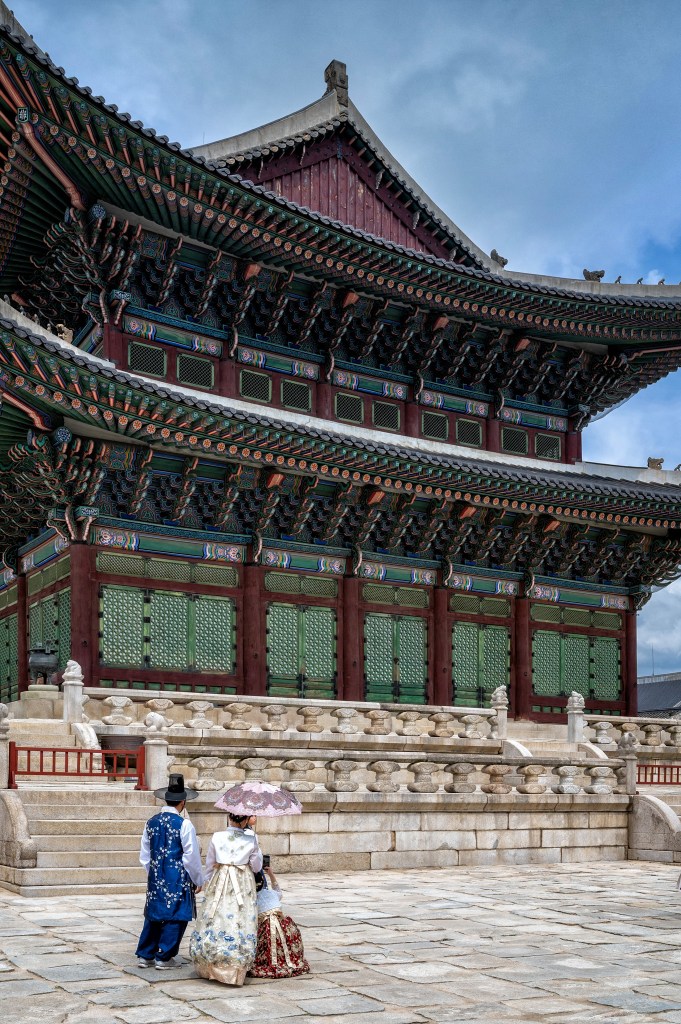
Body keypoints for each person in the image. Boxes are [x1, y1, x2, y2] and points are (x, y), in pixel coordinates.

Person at [135, 773, 203, 970]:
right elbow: (191, 856)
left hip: (156, 875)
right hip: (178, 876)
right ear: (183, 802)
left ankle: (146, 954)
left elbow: (145, 855)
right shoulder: (184, 824)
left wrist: (154, 872)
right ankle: (164, 957)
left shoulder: (151, 822)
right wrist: (197, 879)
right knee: (176, 914)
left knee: (154, 912)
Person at [189, 811, 262, 985]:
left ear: (229, 817)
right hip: (242, 880)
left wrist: (204, 881)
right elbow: (257, 866)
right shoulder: (251, 838)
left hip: (220, 879)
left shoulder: (217, 836)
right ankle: (234, 968)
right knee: (240, 917)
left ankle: (210, 963)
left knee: (216, 915)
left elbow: (210, 863)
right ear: (246, 819)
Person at [249, 863, 310, 979]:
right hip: (283, 925)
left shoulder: (252, 899)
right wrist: (271, 874)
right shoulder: (272, 893)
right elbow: (279, 891)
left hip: (266, 927)